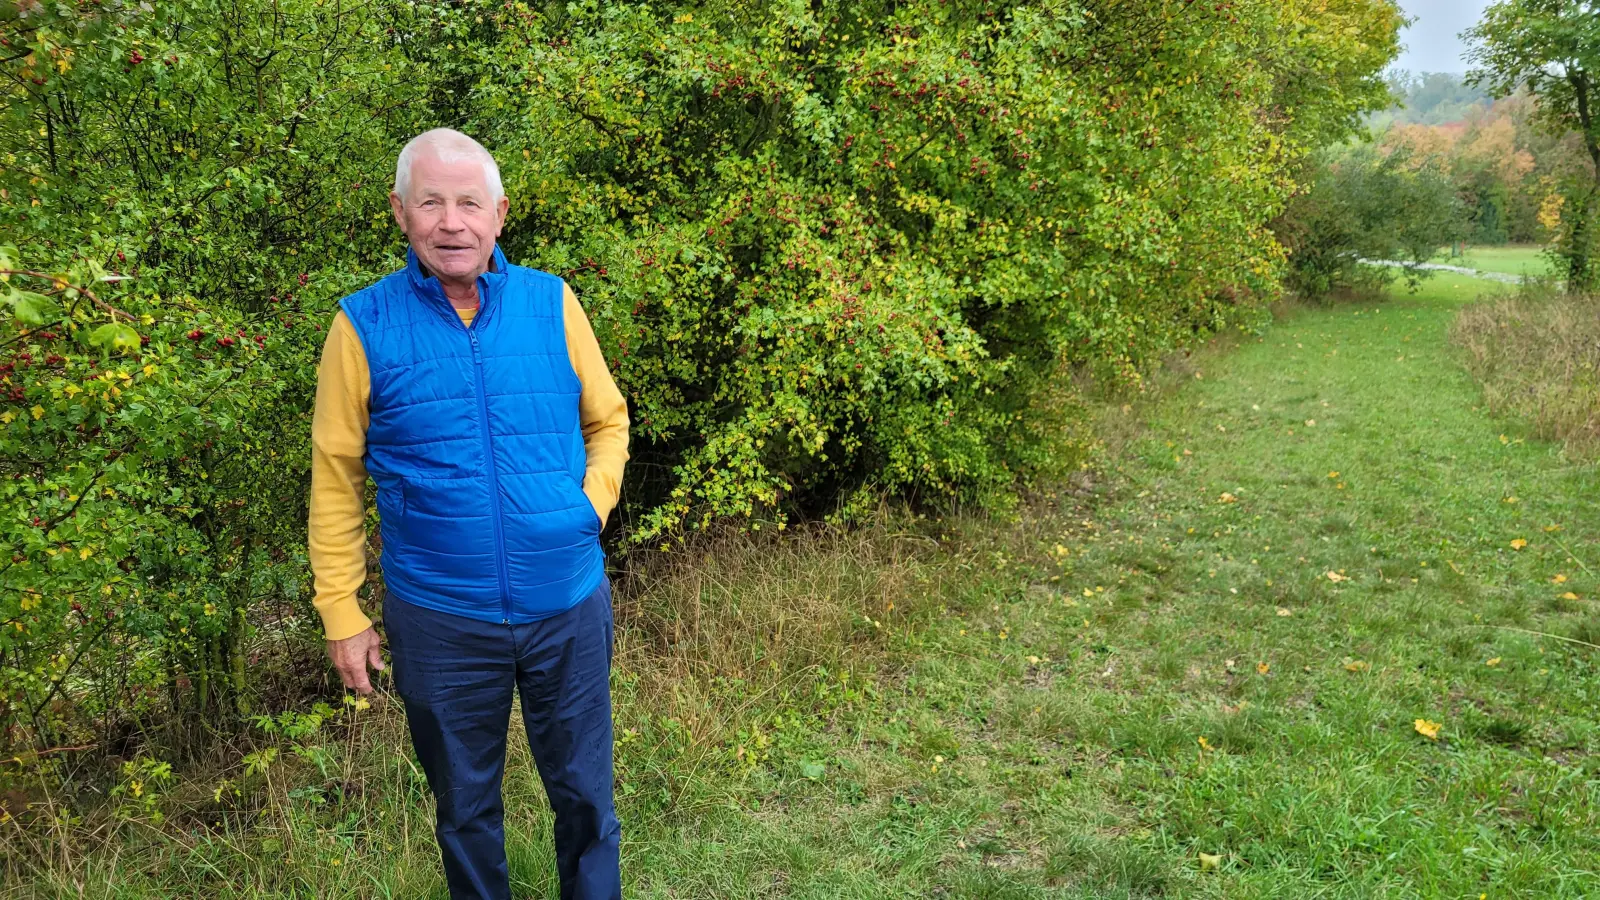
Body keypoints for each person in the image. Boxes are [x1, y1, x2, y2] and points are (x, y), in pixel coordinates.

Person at [307, 128, 629, 900]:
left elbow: (608, 420)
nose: (451, 222)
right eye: (431, 202)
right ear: (399, 212)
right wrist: (340, 610)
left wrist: (586, 509)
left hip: (567, 601)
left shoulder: (553, 302)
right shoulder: (361, 326)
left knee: (585, 796)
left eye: (468, 203)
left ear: (499, 214)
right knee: (465, 809)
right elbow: (335, 476)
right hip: (441, 616)